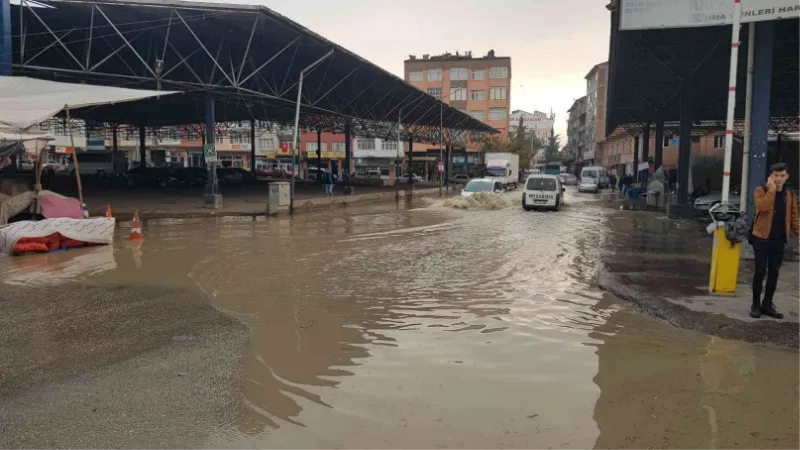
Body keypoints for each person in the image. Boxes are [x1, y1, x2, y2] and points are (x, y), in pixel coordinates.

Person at [750, 162, 800, 319]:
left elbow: (794, 217)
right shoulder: (761, 190)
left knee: (774, 273)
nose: (779, 179)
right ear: (771, 176)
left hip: (778, 239)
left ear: (787, 177)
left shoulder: (789, 195)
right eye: (775, 176)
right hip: (761, 238)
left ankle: (767, 304)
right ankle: (755, 304)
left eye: (782, 176)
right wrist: (771, 189)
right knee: (760, 271)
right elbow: (762, 207)